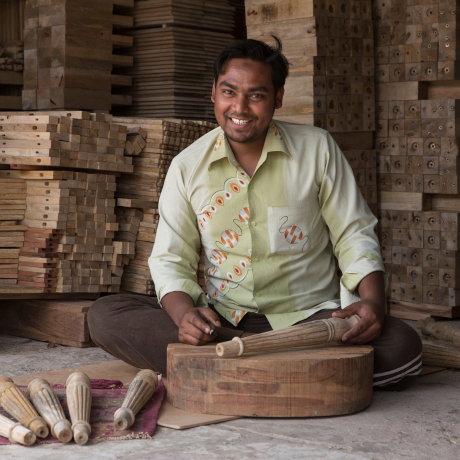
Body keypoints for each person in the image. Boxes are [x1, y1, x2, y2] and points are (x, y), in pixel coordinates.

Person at [89, 37, 422, 390]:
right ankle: (301, 376)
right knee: (106, 316)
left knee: (403, 343)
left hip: (311, 323)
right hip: (222, 324)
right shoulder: (187, 166)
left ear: (278, 98)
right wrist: (185, 316)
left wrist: (372, 303)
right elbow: (171, 260)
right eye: (229, 92)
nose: (240, 108)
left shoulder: (317, 148)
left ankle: (232, 372)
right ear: (213, 92)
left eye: (257, 95)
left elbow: (353, 233)